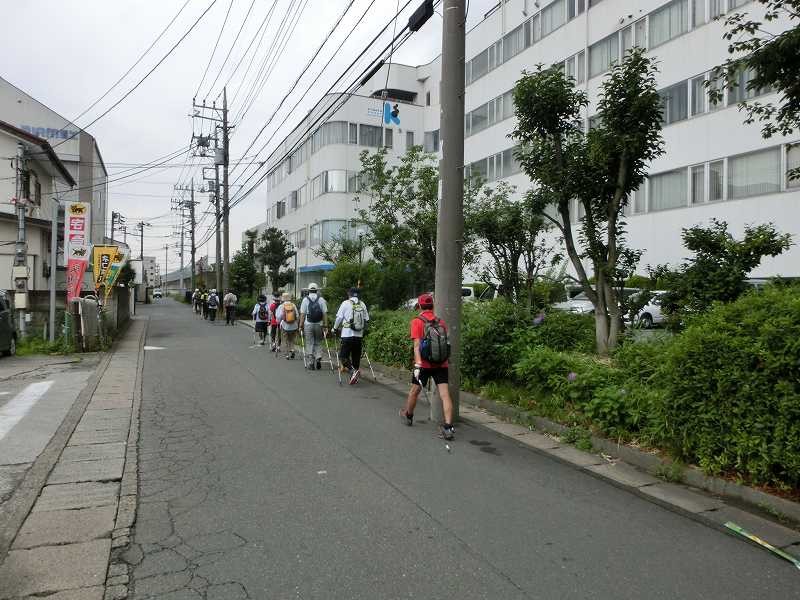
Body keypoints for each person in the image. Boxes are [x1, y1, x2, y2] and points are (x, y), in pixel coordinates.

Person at [399, 293, 455, 440]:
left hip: (424, 364)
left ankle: (409, 415)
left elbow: (417, 346)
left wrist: (418, 365)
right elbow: (447, 344)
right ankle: (449, 427)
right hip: (441, 363)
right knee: (445, 394)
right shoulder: (441, 322)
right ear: (433, 305)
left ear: (419, 305)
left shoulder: (417, 321)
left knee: (414, 392)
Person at [333, 287, 369, 385]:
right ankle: (354, 376)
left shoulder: (345, 303)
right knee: (356, 357)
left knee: (343, 357)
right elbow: (366, 320)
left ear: (349, 294)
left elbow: (339, 318)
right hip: (359, 336)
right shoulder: (363, 304)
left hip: (347, 335)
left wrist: (335, 328)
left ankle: (353, 372)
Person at [299, 283, 328, 370]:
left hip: (308, 324)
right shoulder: (321, 299)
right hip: (319, 324)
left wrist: (300, 325)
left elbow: (303, 314)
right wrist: (325, 325)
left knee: (309, 342)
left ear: (308, 290)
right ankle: (318, 357)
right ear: (317, 290)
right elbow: (325, 313)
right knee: (318, 341)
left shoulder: (305, 300)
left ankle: (311, 362)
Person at [275, 292, 299, 359]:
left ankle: (287, 354)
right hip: (294, 326)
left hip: (285, 326)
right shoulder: (293, 305)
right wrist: (296, 323)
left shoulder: (281, 306)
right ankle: (292, 350)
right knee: (292, 339)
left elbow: (278, 317)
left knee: (285, 340)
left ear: (283, 299)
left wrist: (278, 322)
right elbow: (297, 315)